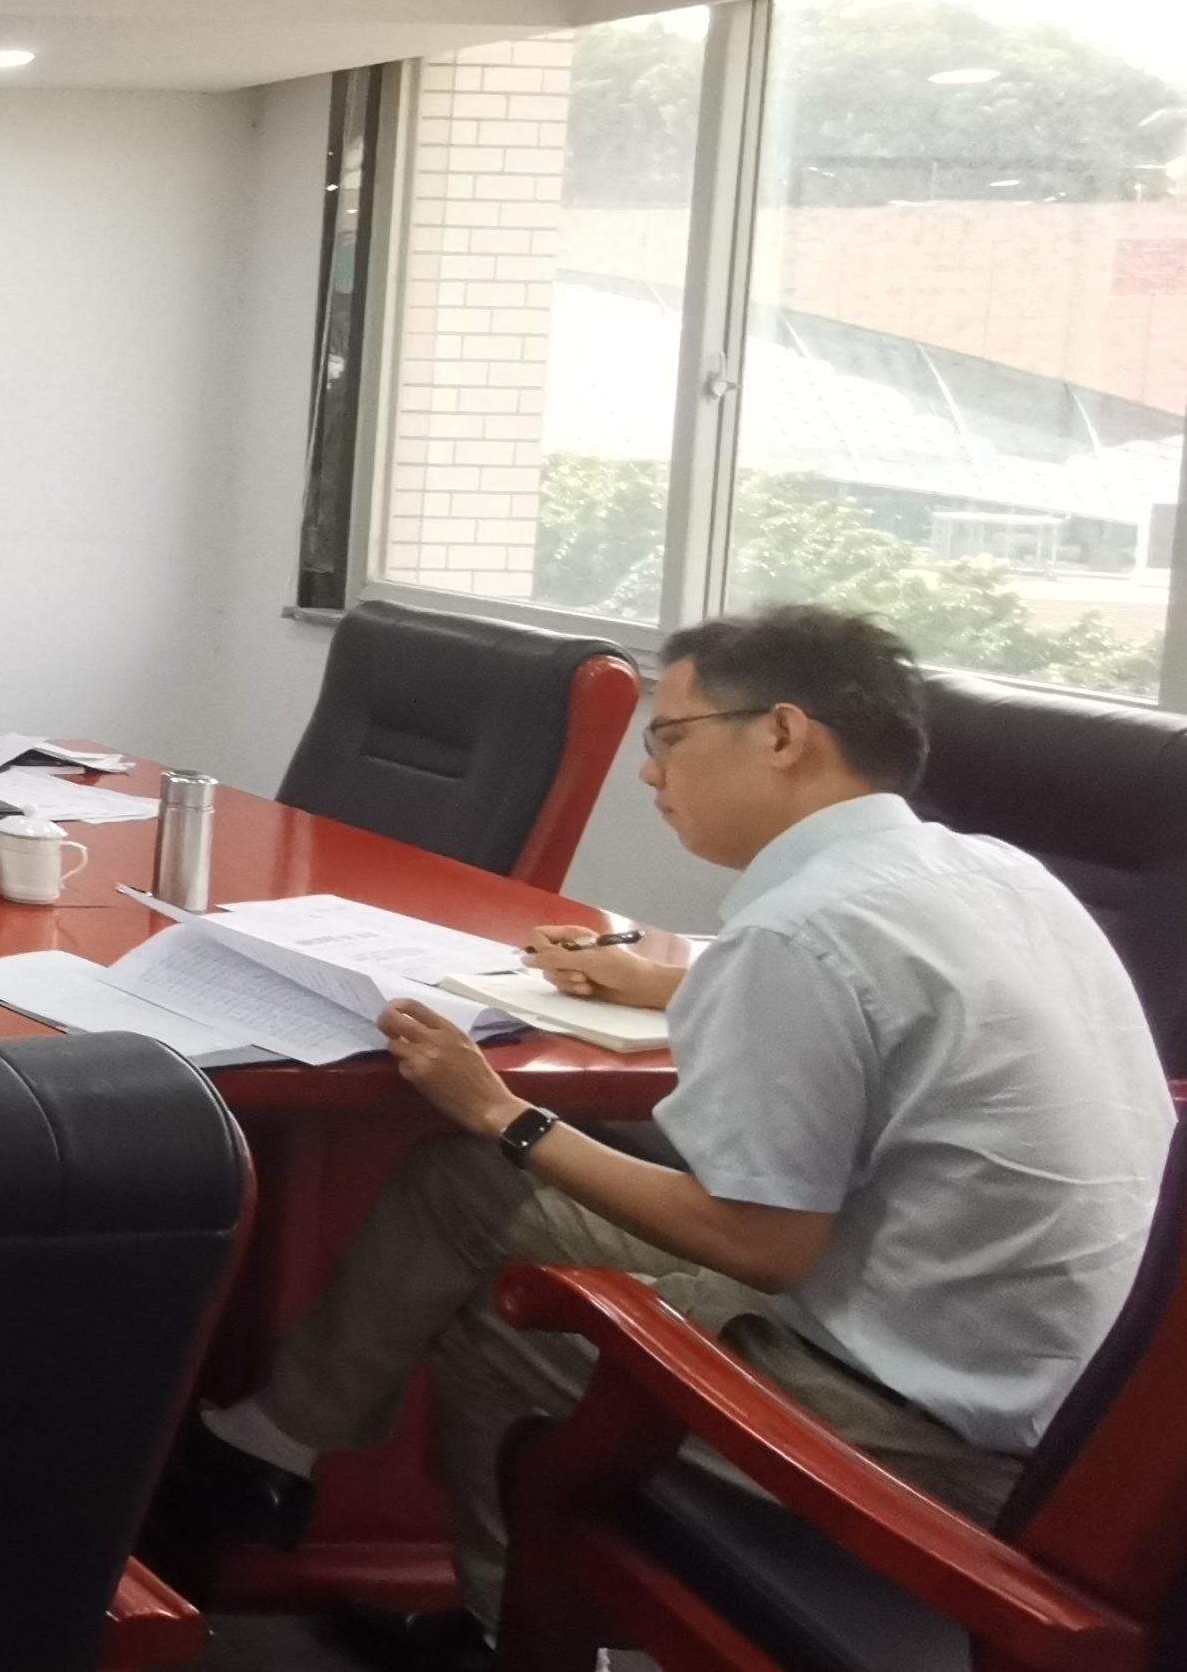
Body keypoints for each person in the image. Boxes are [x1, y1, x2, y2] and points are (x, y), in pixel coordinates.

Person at [166, 605, 1169, 1667]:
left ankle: (516, 1641)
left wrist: (503, 1110)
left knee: (515, 1300)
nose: (650, 772)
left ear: (782, 733)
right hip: (1087, 1413)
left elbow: (760, 1243)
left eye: (670, 736)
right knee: (465, 1188)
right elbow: (881, 1012)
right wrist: (668, 982)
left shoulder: (802, 929)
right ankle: (269, 1445)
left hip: (925, 1435)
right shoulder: (997, 873)